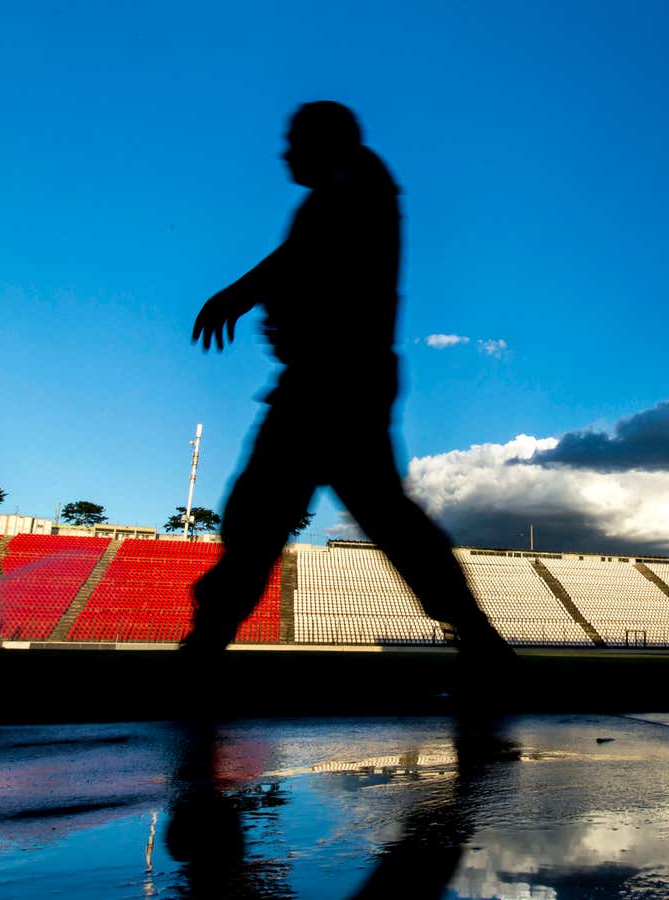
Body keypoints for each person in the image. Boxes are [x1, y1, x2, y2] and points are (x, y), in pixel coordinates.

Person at [185, 101, 512, 666]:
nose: (284, 152)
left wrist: (242, 295)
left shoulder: (355, 181)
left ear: (324, 142)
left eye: (295, 141)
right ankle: (477, 634)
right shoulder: (348, 188)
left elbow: (308, 255)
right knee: (353, 514)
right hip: (330, 380)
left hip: (335, 383)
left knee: (277, 510)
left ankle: (208, 640)